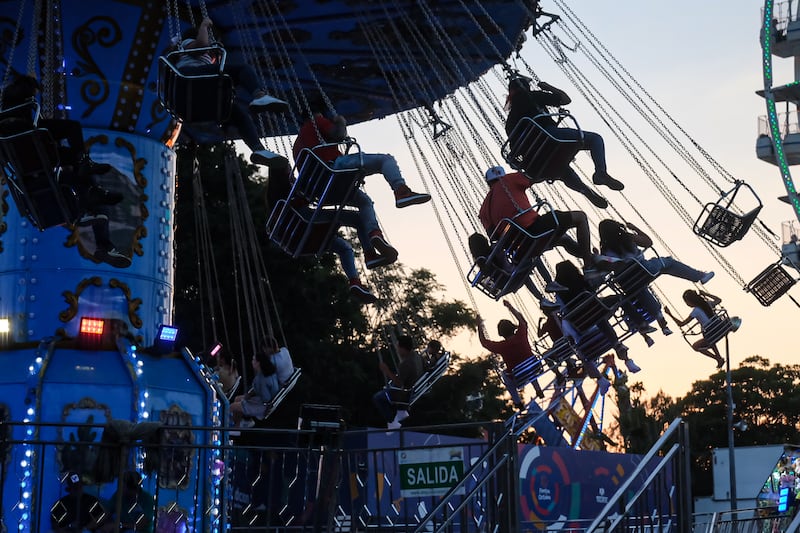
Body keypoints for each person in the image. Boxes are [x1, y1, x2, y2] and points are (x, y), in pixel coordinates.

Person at [1, 75, 132, 267]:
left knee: (90, 191)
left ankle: (101, 235)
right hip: (44, 166)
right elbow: (65, 130)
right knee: (74, 136)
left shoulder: (7, 133)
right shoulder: (31, 127)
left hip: (28, 174)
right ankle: (102, 238)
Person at [265, 158, 393, 302]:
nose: (291, 170)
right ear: (282, 171)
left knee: (344, 247)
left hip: (299, 234)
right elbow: (304, 192)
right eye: (288, 168)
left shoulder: (282, 190)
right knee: (357, 219)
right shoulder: (285, 187)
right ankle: (370, 254)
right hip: (303, 220)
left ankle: (355, 282)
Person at [171, 17, 287, 166]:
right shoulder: (186, 45)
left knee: (240, 115)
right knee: (242, 70)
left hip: (198, 96)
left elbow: (209, 56)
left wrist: (214, 57)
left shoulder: (199, 58)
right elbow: (202, 44)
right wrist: (204, 26)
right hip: (192, 78)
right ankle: (259, 95)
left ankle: (257, 149)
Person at [292, 94, 431, 209]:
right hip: (333, 168)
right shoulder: (316, 121)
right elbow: (339, 134)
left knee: (365, 202)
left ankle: (375, 236)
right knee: (385, 159)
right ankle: (401, 191)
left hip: (318, 188)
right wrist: (340, 121)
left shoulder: (298, 143)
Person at [505, 76, 623, 209]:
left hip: (535, 160)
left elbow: (514, 148)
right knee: (595, 139)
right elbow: (565, 99)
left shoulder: (509, 122)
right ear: (526, 88)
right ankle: (600, 172)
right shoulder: (531, 96)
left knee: (561, 171)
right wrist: (547, 87)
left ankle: (584, 190)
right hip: (549, 137)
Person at [598, 218, 714, 340]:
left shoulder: (605, 251)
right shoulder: (627, 238)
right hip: (645, 270)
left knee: (639, 290)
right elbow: (648, 242)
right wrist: (634, 228)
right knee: (668, 263)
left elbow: (605, 268)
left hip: (628, 282)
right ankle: (699, 276)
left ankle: (662, 322)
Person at [479, 165, 598, 269]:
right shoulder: (508, 180)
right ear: (502, 176)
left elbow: (493, 236)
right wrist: (557, 173)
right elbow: (533, 177)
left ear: (488, 183)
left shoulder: (483, 210)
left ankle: (592, 258)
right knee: (580, 217)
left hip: (521, 248)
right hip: (534, 229)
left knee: (564, 239)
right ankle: (589, 265)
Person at [553, 260, 641, 374]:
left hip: (582, 321)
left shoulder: (560, 292)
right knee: (618, 299)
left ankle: (621, 349)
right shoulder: (581, 280)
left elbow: (562, 309)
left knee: (597, 316)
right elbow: (594, 287)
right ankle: (640, 325)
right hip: (596, 312)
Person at [477, 300, 541, 405]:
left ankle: (517, 402)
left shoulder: (501, 346)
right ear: (512, 327)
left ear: (501, 333)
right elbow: (522, 320)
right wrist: (510, 307)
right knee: (528, 365)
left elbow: (484, 342)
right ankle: (538, 389)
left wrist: (479, 325)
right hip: (534, 367)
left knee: (504, 374)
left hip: (518, 377)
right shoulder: (521, 335)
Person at [664, 289, 740, 368]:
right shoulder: (707, 304)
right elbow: (718, 300)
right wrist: (705, 294)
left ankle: (717, 358)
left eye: (686, 302)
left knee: (696, 346)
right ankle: (719, 358)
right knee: (708, 335)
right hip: (721, 328)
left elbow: (681, 324)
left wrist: (670, 314)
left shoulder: (695, 311)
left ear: (690, 301)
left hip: (711, 334)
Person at [372, 335, 424, 429]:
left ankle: (392, 421)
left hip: (402, 394)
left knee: (378, 397)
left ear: (403, 348)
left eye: (398, 347)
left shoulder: (406, 364)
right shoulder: (415, 358)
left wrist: (386, 370)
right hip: (409, 391)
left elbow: (399, 383)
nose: (397, 350)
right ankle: (401, 411)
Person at [230, 351, 279, 426]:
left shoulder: (261, 379)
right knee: (237, 398)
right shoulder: (269, 372)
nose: (252, 362)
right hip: (261, 400)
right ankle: (237, 423)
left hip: (261, 405)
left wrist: (250, 398)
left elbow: (266, 398)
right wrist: (250, 394)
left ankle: (234, 426)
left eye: (253, 360)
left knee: (231, 407)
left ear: (258, 363)